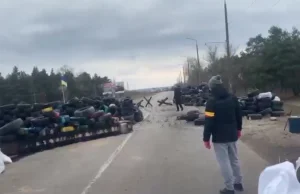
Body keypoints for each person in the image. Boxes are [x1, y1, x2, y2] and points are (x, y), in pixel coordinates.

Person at [203, 75, 243, 194]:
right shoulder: (232, 98)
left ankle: (229, 188)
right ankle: (238, 183)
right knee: (234, 159)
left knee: (224, 162)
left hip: (219, 138)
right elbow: (238, 115)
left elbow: (209, 122)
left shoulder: (211, 102)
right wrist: (239, 129)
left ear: (212, 87)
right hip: (232, 134)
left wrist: (206, 138)